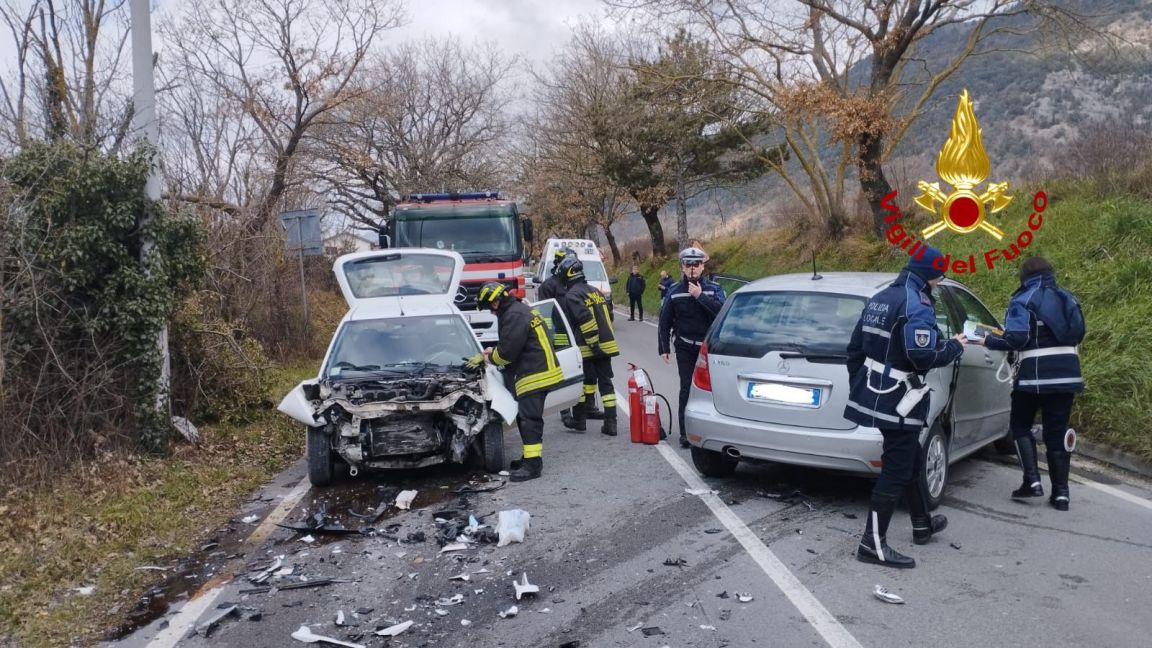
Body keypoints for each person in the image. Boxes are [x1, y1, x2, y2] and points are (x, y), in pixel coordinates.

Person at [844, 245, 967, 569]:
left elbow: (854, 349)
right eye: (938, 278)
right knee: (896, 469)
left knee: (910, 457)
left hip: (878, 394)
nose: (938, 283)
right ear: (930, 276)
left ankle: (922, 523)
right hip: (901, 400)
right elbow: (922, 357)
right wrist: (954, 347)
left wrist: (862, 387)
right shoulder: (918, 304)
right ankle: (872, 545)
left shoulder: (880, 298)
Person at [973, 256, 1085, 511]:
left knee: (1021, 425)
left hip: (1034, 377)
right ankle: (1061, 495)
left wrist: (988, 340)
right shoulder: (1068, 298)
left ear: (1024, 277)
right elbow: (1079, 333)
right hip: (1067, 375)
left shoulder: (1023, 299)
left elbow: (1017, 338)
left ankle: (1032, 482)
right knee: (1057, 432)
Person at [475, 282, 563, 482]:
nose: (491, 312)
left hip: (534, 374)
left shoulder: (513, 315)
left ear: (495, 302)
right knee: (526, 417)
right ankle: (529, 458)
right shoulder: (520, 309)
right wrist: (494, 351)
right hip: (540, 369)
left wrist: (489, 357)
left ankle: (533, 465)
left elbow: (506, 354)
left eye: (490, 308)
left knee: (529, 420)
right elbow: (515, 342)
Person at [658, 247, 726, 448]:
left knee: (712, 389)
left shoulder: (714, 289)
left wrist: (700, 296)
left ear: (703, 266)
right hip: (685, 347)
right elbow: (664, 322)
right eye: (688, 264)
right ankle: (685, 433)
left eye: (696, 264)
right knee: (687, 388)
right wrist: (664, 348)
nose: (692, 268)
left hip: (708, 349)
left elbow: (722, 313)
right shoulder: (674, 291)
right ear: (682, 267)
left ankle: (715, 431)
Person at [556, 255, 621, 436]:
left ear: (568, 274)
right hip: (606, 345)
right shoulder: (595, 291)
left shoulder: (572, 295)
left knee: (581, 384)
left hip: (588, 347)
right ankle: (611, 423)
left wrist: (593, 345)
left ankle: (579, 421)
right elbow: (607, 316)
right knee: (606, 385)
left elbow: (585, 319)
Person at [538, 247, 603, 423]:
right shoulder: (548, 286)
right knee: (566, 371)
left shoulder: (574, 284)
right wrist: (550, 337)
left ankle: (589, 406)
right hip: (561, 334)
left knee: (589, 372)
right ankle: (566, 412)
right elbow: (545, 312)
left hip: (580, 333)